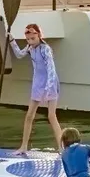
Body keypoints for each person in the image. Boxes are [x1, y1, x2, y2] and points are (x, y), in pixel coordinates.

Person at [8, 23, 63, 154]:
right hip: (37, 83)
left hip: (50, 83)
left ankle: (62, 148)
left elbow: (51, 69)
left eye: (33, 39)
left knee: (51, 116)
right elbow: (19, 54)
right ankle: (24, 146)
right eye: (28, 40)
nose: (30, 42)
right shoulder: (30, 48)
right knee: (29, 116)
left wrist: (48, 89)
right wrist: (11, 40)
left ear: (38, 35)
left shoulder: (46, 49)